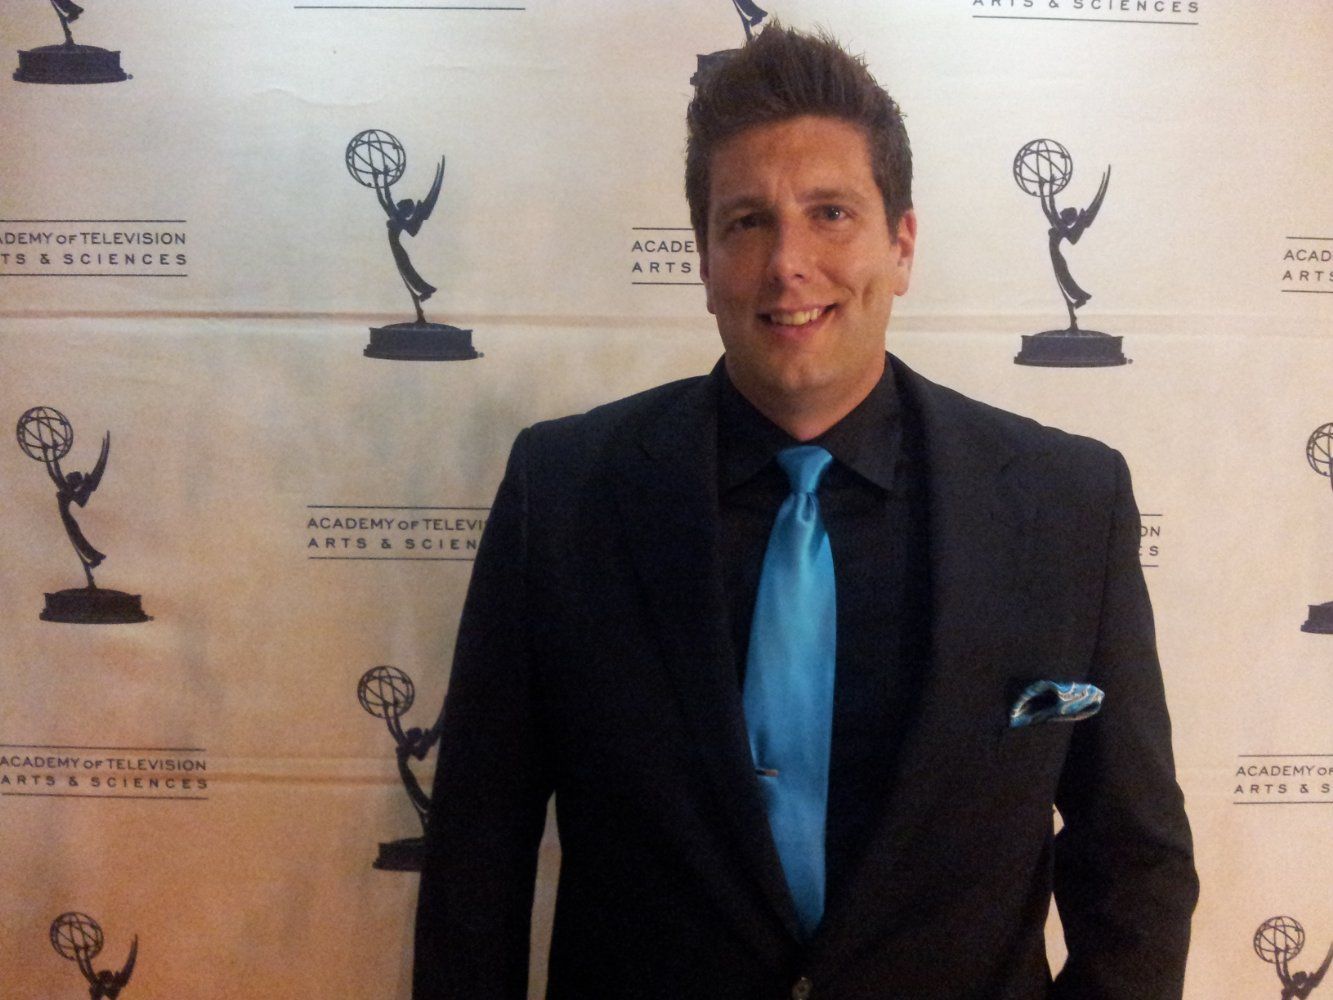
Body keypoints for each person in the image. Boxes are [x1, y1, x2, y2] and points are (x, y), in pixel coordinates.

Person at [413, 24, 1197, 1000]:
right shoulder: (563, 492)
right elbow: (476, 856)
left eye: (830, 213)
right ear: (703, 260)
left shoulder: (1068, 502)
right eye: (747, 222)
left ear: (900, 245)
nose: (788, 261)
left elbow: (1135, 862)